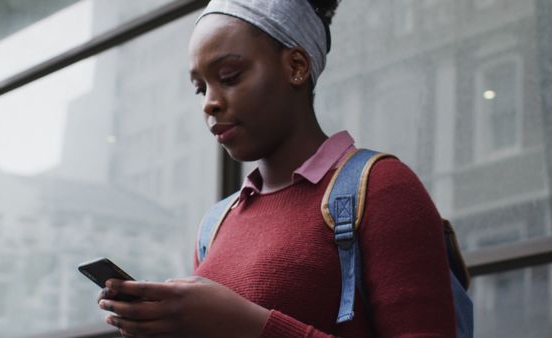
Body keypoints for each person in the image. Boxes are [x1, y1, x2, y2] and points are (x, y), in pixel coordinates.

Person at [96, 0, 457, 337]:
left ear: (296, 67)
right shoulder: (216, 225)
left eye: (230, 76)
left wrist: (246, 324)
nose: (210, 103)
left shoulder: (383, 189)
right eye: (200, 88)